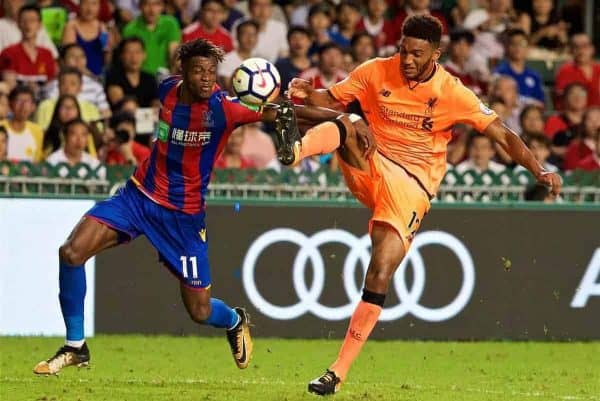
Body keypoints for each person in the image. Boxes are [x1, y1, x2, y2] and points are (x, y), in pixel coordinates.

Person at [285, 15, 561, 395]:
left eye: (417, 53)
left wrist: (538, 168)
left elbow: (502, 133)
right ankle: (294, 151)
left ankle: (336, 373)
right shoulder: (375, 71)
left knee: (380, 271)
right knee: (349, 121)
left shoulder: (452, 91)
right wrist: (306, 92)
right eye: (403, 50)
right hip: (372, 163)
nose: (407, 59)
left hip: (412, 187)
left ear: (436, 53)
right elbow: (327, 100)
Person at [31, 38, 297, 375]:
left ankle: (233, 320)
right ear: (181, 72)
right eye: (198, 71)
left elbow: (281, 112)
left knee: (199, 311)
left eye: (212, 72)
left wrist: (343, 122)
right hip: (138, 197)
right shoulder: (168, 90)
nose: (206, 78)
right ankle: (75, 347)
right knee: (71, 252)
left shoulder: (225, 107)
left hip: (183, 218)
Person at [0, 5, 57, 95]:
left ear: (40, 25)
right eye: (24, 21)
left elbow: (52, 85)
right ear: (18, 24)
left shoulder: (47, 54)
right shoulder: (8, 53)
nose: (28, 25)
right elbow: (9, 86)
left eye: (32, 20)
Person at [44, 43, 110, 117]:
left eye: (82, 56)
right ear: (62, 61)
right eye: (72, 56)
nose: (78, 60)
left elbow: (105, 112)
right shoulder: (54, 85)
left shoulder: (95, 86)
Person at [121, 0, 181, 75]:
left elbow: (173, 54)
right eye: (147, 4)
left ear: (163, 6)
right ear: (140, 6)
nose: (151, 10)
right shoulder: (130, 29)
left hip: (165, 77)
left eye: (156, 4)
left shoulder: (171, 24)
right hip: (141, 79)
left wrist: (171, 80)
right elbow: (128, 61)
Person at [35, 67, 101, 132]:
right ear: (58, 86)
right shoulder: (45, 106)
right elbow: (41, 134)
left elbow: (98, 132)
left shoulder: (91, 108)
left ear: (80, 87)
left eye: (73, 84)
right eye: (63, 83)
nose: (67, 88)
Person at [494, 29, 544, 105]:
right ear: (507, 47)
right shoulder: (500, 73)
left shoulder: (534, 76)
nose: (517, 47)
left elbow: (540, 103)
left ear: (528, 48)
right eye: (513, 44)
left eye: (522, 43)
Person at [105, 37, 159, 108]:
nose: (134, 57)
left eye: (137, 52)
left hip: (148, 117)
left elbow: (156, 101)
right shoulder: (114, 77)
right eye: (129, 52)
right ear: (121, 56)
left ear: (144, 55)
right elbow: (119, 102)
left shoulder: (150, 78)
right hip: (123, 117)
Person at [61, 0, 110, 77]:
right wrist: (91, 77)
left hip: (98, 77)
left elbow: (107, 61)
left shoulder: (102, 27)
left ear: (99, 7)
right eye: (86, 3)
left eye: (94, 4)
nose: (89, 9)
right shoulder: (71, 27)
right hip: (76, 78)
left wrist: (106, 49)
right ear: (79, 5)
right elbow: (69, 61)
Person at [554, 33, 600, 109]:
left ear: (592, 49)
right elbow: (560, 103)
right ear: (571, 50)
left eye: (585, 46)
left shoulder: (598, 69)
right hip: (575, 117)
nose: (581, 51)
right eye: (576, 47)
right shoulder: (565, 71)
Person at [0, 86, 44, 162]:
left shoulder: (38, 131)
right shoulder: (1, 126)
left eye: (27, 102)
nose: (23, 106)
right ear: (10, 105)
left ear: (33, 107)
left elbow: (37, 162)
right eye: (18, 101)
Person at [218, 20, 259, 93]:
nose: (250, 39)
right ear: (237, 36)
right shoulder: (226, 60)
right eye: (245, 34)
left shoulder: (259, 61)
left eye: (253, 35)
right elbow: (230, 90)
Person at [275, 26, 313, 93]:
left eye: (302, 38)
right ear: (288, 42)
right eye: (294, 38)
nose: (298, 42)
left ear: (310, 42)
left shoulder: (316, 66)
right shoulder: (280, 66)